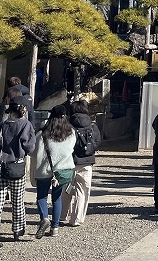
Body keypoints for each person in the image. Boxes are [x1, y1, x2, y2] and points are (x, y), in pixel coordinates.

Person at [0, 101, 36, 251]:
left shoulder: (1, 125)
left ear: (9, 111)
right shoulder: (25, 125)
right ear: (23, 111)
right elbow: (29, 146)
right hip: (16, 166)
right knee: (17, 200)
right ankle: (17, 230)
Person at [32, 104, 76, 239]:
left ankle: (44, 218)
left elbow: (33, 152)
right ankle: (55, 227)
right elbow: (71, 150)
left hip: (45, 170)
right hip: (61, 171)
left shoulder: (42, 134)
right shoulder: (71, 133)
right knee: (57, 199)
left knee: (41, 197)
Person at [62, 99, 102, 227]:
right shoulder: (92, 125)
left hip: (69, 161)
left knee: (66, 189)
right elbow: (97, 142)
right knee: (82, 190)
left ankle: (62, 215)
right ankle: (77, 218)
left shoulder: (67, 125)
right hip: (86, 162)